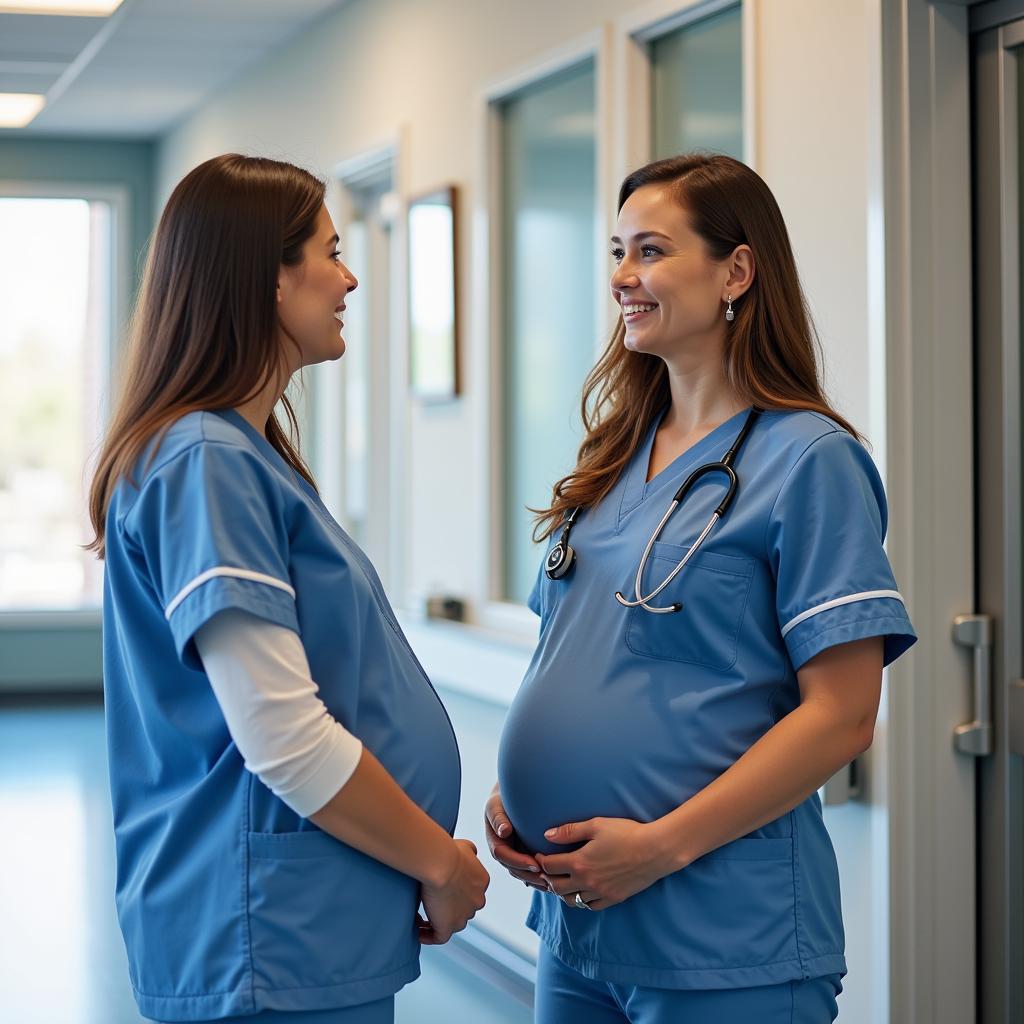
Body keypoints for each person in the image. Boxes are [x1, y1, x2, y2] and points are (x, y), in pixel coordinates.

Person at [485, 153, 917, 1024]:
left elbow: (841, 715)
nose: (622, 277)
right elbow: (571, 655)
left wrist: (657, 850)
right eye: (616, 252)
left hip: (723, 937)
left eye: (650, 250)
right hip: (579, 925)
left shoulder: (808, 461)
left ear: (737, 270)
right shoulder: (612, 459)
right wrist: (521, 794)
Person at [87, 153, 488, 1024]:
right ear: (266, 278)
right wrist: (440, 863)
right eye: (330, 251)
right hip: (266, 936)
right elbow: (283, 737)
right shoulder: (205, 460)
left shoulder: (240, 454)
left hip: (298, 925)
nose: (349, 279)